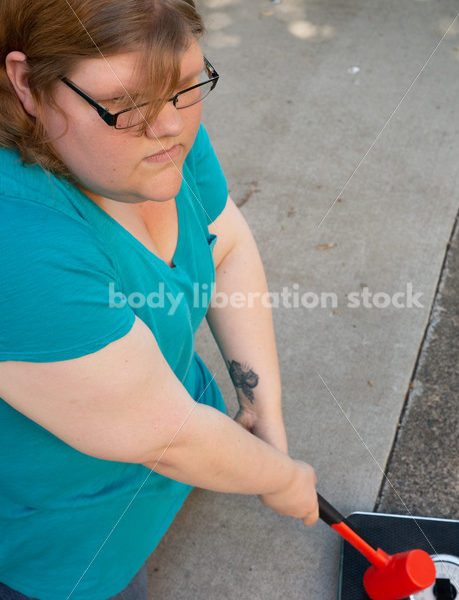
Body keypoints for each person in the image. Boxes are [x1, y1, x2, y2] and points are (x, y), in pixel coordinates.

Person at [0, 1, 319, 598]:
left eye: (185, 86)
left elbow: (225, 247)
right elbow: (170, 436)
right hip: (70, 541)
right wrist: (281, 478)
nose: (170, 123)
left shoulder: (158, 132)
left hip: (162, 439)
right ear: (25, 83)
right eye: (125, 105)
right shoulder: (18, 242)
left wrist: (263, 412)